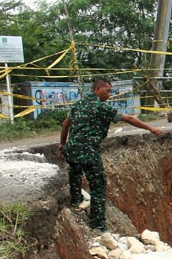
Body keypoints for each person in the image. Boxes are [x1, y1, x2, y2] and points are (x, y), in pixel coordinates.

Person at [56, 78, 162, 231]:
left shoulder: (78, 104)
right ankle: (98, 225)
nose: (109, 94)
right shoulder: (101, 107)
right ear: (97, 89)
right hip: (88, 151)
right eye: (107, 91)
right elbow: (129, 119)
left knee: (75, 174)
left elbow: (65, 124)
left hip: (72, 149)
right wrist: (150, 128)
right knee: (97, 187)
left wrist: (63, 143)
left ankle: (76, 201)